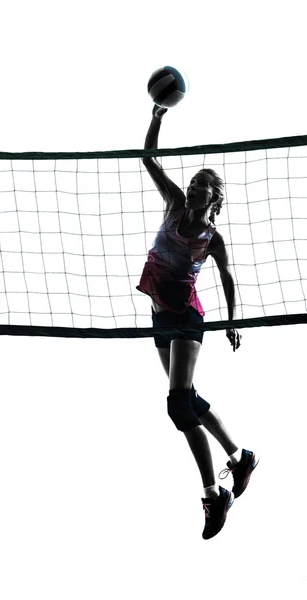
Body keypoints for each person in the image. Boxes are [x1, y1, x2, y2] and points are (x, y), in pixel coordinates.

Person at [137, 105, 259, 539]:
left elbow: (227, 275)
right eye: (192, 182)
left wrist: (231, 321)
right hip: (158, 316)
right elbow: (149, 158)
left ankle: (213, 494)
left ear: (215, 198)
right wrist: (157, 116)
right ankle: (240, 456)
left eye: (202, 186)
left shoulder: (212, 237)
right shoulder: (172, 204)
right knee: (186, 398)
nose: (192, 188)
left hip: (187, 317)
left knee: (176, 403)